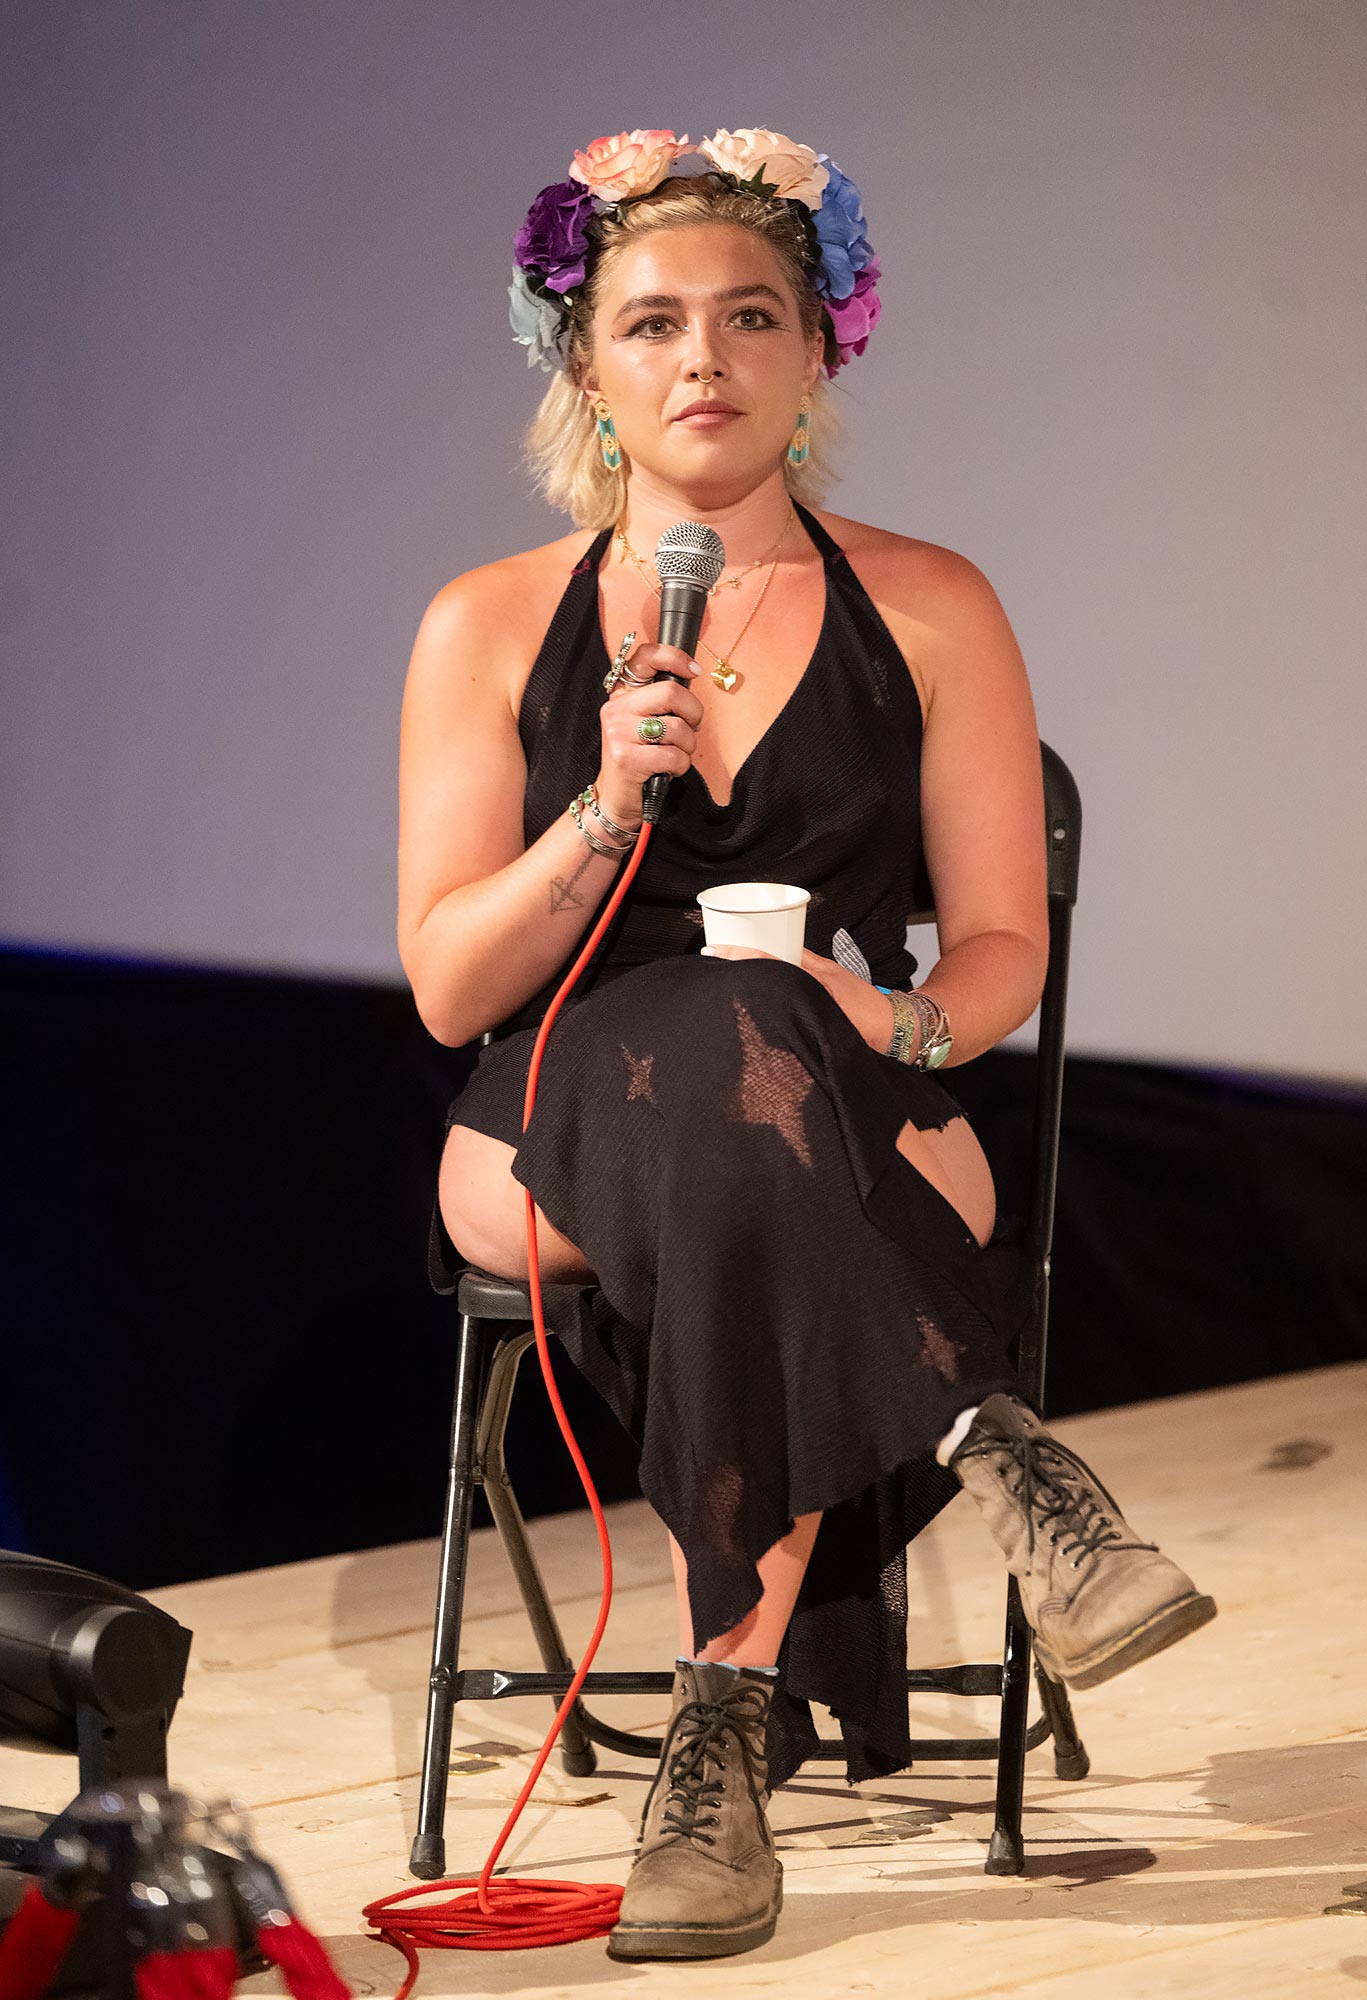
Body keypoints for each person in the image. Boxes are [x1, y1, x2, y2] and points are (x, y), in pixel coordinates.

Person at [398, 126, 1216, 1963]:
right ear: (585, 364)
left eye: (751, 317)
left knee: (759, 1047)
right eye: (655, 321)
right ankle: (996, 1445)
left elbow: (1001, 943)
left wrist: (895, 1012)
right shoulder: (482, 626)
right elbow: (452, 988)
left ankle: (719, 1736)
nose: (705, 358)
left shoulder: (933, 608)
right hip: (544, 1124)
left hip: (858, 1095)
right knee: (706, 1046)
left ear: (817, 353)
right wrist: (603, 806)